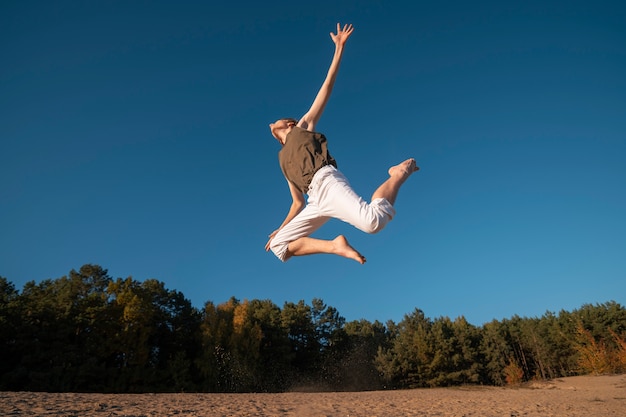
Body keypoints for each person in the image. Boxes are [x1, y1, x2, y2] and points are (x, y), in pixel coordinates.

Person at [265, 23, 419, 264]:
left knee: (372, 222)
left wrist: (339, 49)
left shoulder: (302, 127)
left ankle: (397, 174)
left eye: (276, 120)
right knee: (277, 245)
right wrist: (282, 229)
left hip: (327, 182)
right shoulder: (282, 160)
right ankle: (335, 245)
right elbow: (297, 203)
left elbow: (325, 88)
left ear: (288, 124)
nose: (271, 123)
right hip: (315, 199)